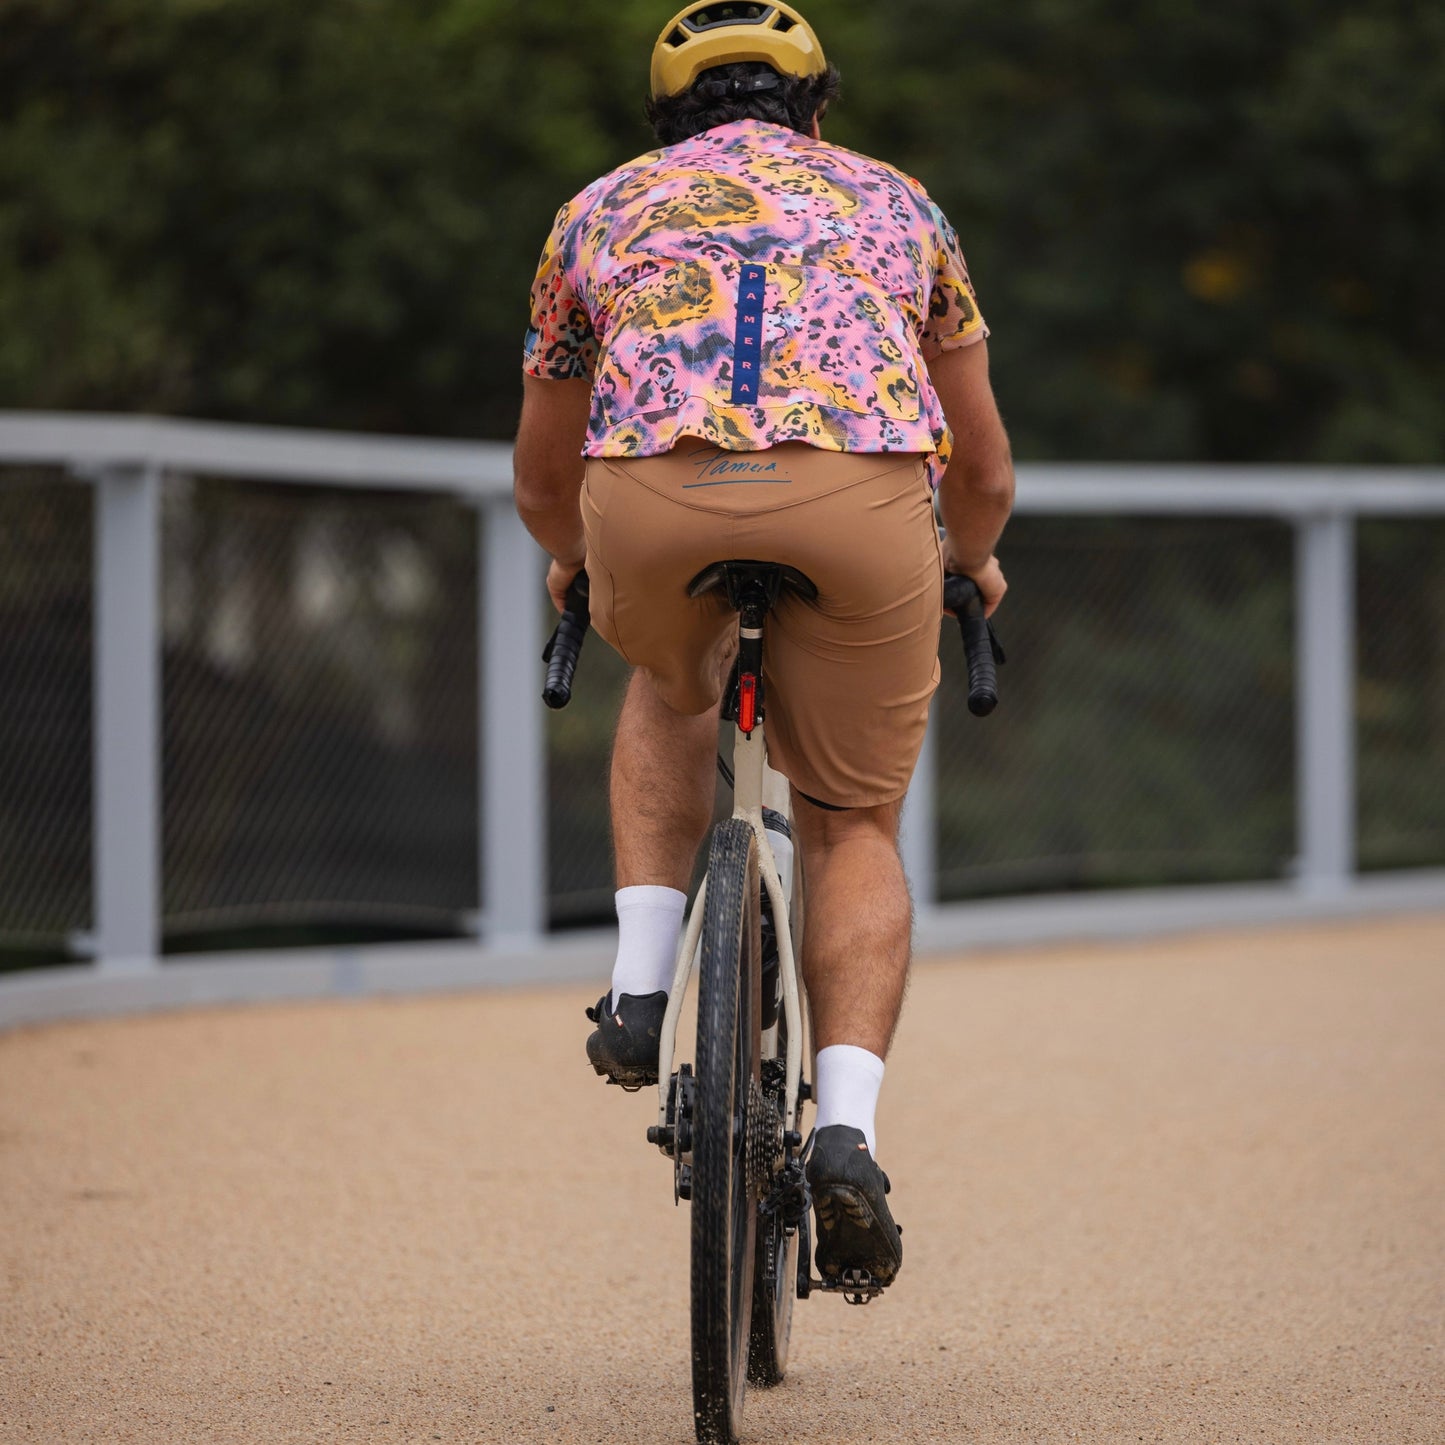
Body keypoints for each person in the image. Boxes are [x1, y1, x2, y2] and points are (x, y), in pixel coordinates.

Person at [513, 0, 1013, 1291]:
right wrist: (969, 559)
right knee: (849, 815)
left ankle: (634, 986)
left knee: (668, 677)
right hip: (857, 503)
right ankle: (843, 1130)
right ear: (814, 106)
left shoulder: (597, 208)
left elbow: (540, 466)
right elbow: (984, 464)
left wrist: (574, 558)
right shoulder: (903, 206)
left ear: (665, 116)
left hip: (653, 498)